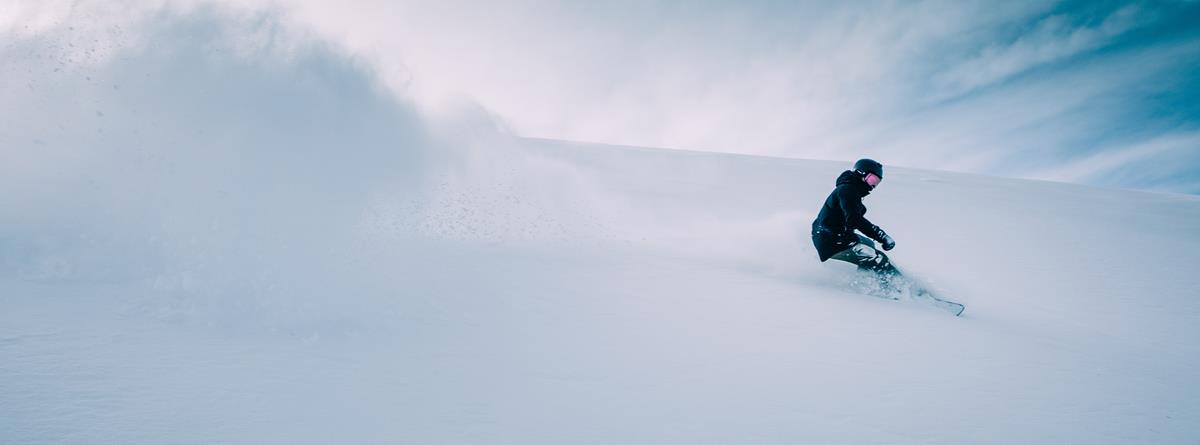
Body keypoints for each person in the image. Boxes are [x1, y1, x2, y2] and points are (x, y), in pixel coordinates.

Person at [812, 159, 898, 276]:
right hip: (831, 240)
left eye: (876, 182)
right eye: (872, 179)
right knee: (878, 258)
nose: (872, 186)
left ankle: (865, 276)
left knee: (869, 244)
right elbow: (854, 220)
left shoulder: (850, 190)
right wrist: (881, 236)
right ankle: (894, 288)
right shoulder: (847, 190)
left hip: (835, 235)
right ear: (860, 173)